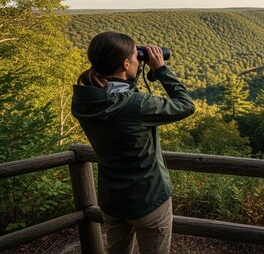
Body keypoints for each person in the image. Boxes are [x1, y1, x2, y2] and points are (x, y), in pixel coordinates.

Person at [71, 31, 195, 254]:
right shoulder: (136, 106)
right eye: (136, 58)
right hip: (149, 200)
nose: (140, 60)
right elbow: (186, 105)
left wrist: (132, 69)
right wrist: (160, 69)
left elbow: (122, 96)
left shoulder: (85, 101)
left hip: (112, 201)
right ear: (126, 63)